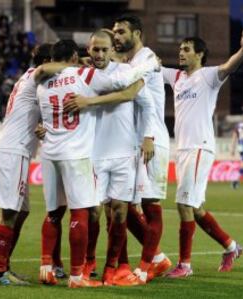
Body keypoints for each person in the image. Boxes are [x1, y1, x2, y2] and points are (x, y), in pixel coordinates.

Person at [36, 39, 159, 288]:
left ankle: (112, 267)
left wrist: (148, 136)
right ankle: (86, 265)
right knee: (90, 213)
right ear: (85, 52)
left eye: (105, 49)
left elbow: (144, 102)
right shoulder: (86, 74)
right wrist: (148, 68)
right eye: (95, 49)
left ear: (112, 51)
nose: (100, 53)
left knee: (118, 213)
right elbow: (125, 90)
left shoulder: (45, 81)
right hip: (91, 155)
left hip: (121, 152)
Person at [161, 31, 243, 278]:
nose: (181, 52)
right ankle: (231, 247)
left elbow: (227, 67)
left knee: (183, 204)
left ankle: (185, 265)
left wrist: (242, 52)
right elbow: (150, 67)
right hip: (182, 150)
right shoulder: (177, 77)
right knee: (196, 208)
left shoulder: (208, 76)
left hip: (199, 147)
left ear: (200, 54)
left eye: (187, 49)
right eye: (180, 48)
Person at [112, 15, 172, 280]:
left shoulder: (147, 59)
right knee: (127, 205)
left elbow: (135, 90)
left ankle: (145, 268)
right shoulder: (131, 62)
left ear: (136, 33)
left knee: (150, 203)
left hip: (152, 139)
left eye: (121, 32)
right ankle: (157, 258)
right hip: (133, 141)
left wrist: (147, 136)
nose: (117, 36)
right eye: (114, 32)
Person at [0, 43, 52, 286]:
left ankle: (4, 266)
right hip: (11, 151)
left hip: (16, 151)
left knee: (22, 211)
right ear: (47, 61)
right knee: (9, 213)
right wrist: (75, 65)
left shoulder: (31, 80)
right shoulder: (35, 76)